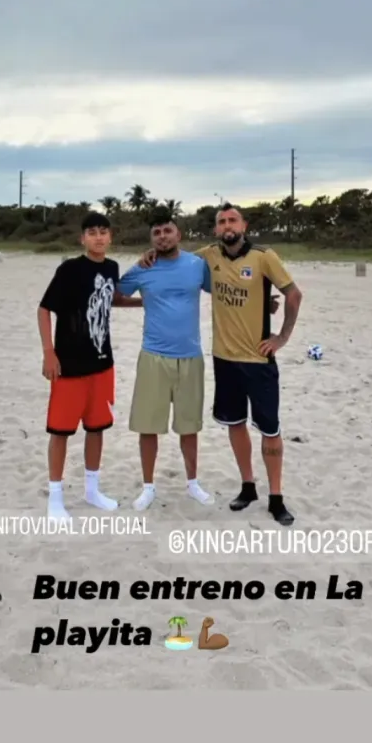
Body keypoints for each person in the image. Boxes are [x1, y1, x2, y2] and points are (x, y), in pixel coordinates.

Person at [140, 203, 302, 526]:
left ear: (244, 225)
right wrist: (149, 253)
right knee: (235, 423)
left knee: (270, 429)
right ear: (216, 229)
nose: (227, 225)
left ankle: (276, 497)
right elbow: (176, 257)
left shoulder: (263, 256)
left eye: (233, 220)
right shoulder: (208, 256)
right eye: (221, 221)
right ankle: (248, 487)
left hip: (258, 359)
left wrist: (281, 337)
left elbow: (294, 295)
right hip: (224, 360)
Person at [38, 211, 142, 519]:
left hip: (102, 363)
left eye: (103, 231)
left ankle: (92, 489)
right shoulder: (69, 269)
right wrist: (49, 352)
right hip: (69, 364)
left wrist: (145, 300)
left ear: (110, 237)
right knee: (60, 431)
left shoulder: (111, 267)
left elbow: (110, 299)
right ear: (83, 238)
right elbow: (44, 310)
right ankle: (55, 496)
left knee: (97, 428)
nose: (98, 237)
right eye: (92, 232)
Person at [117, 210, 214, 511]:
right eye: (156, 232)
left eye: (167, 231)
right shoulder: (143, 267)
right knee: (148, 426)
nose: (162, 236)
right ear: (151, 239)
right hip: (153, 356)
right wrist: (142, 301)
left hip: (190, 356)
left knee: (189, 427)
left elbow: (225, 292)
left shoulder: (198, 265)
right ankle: (148, 487)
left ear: (178, 234)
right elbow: (115, 296)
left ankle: (193, 483)